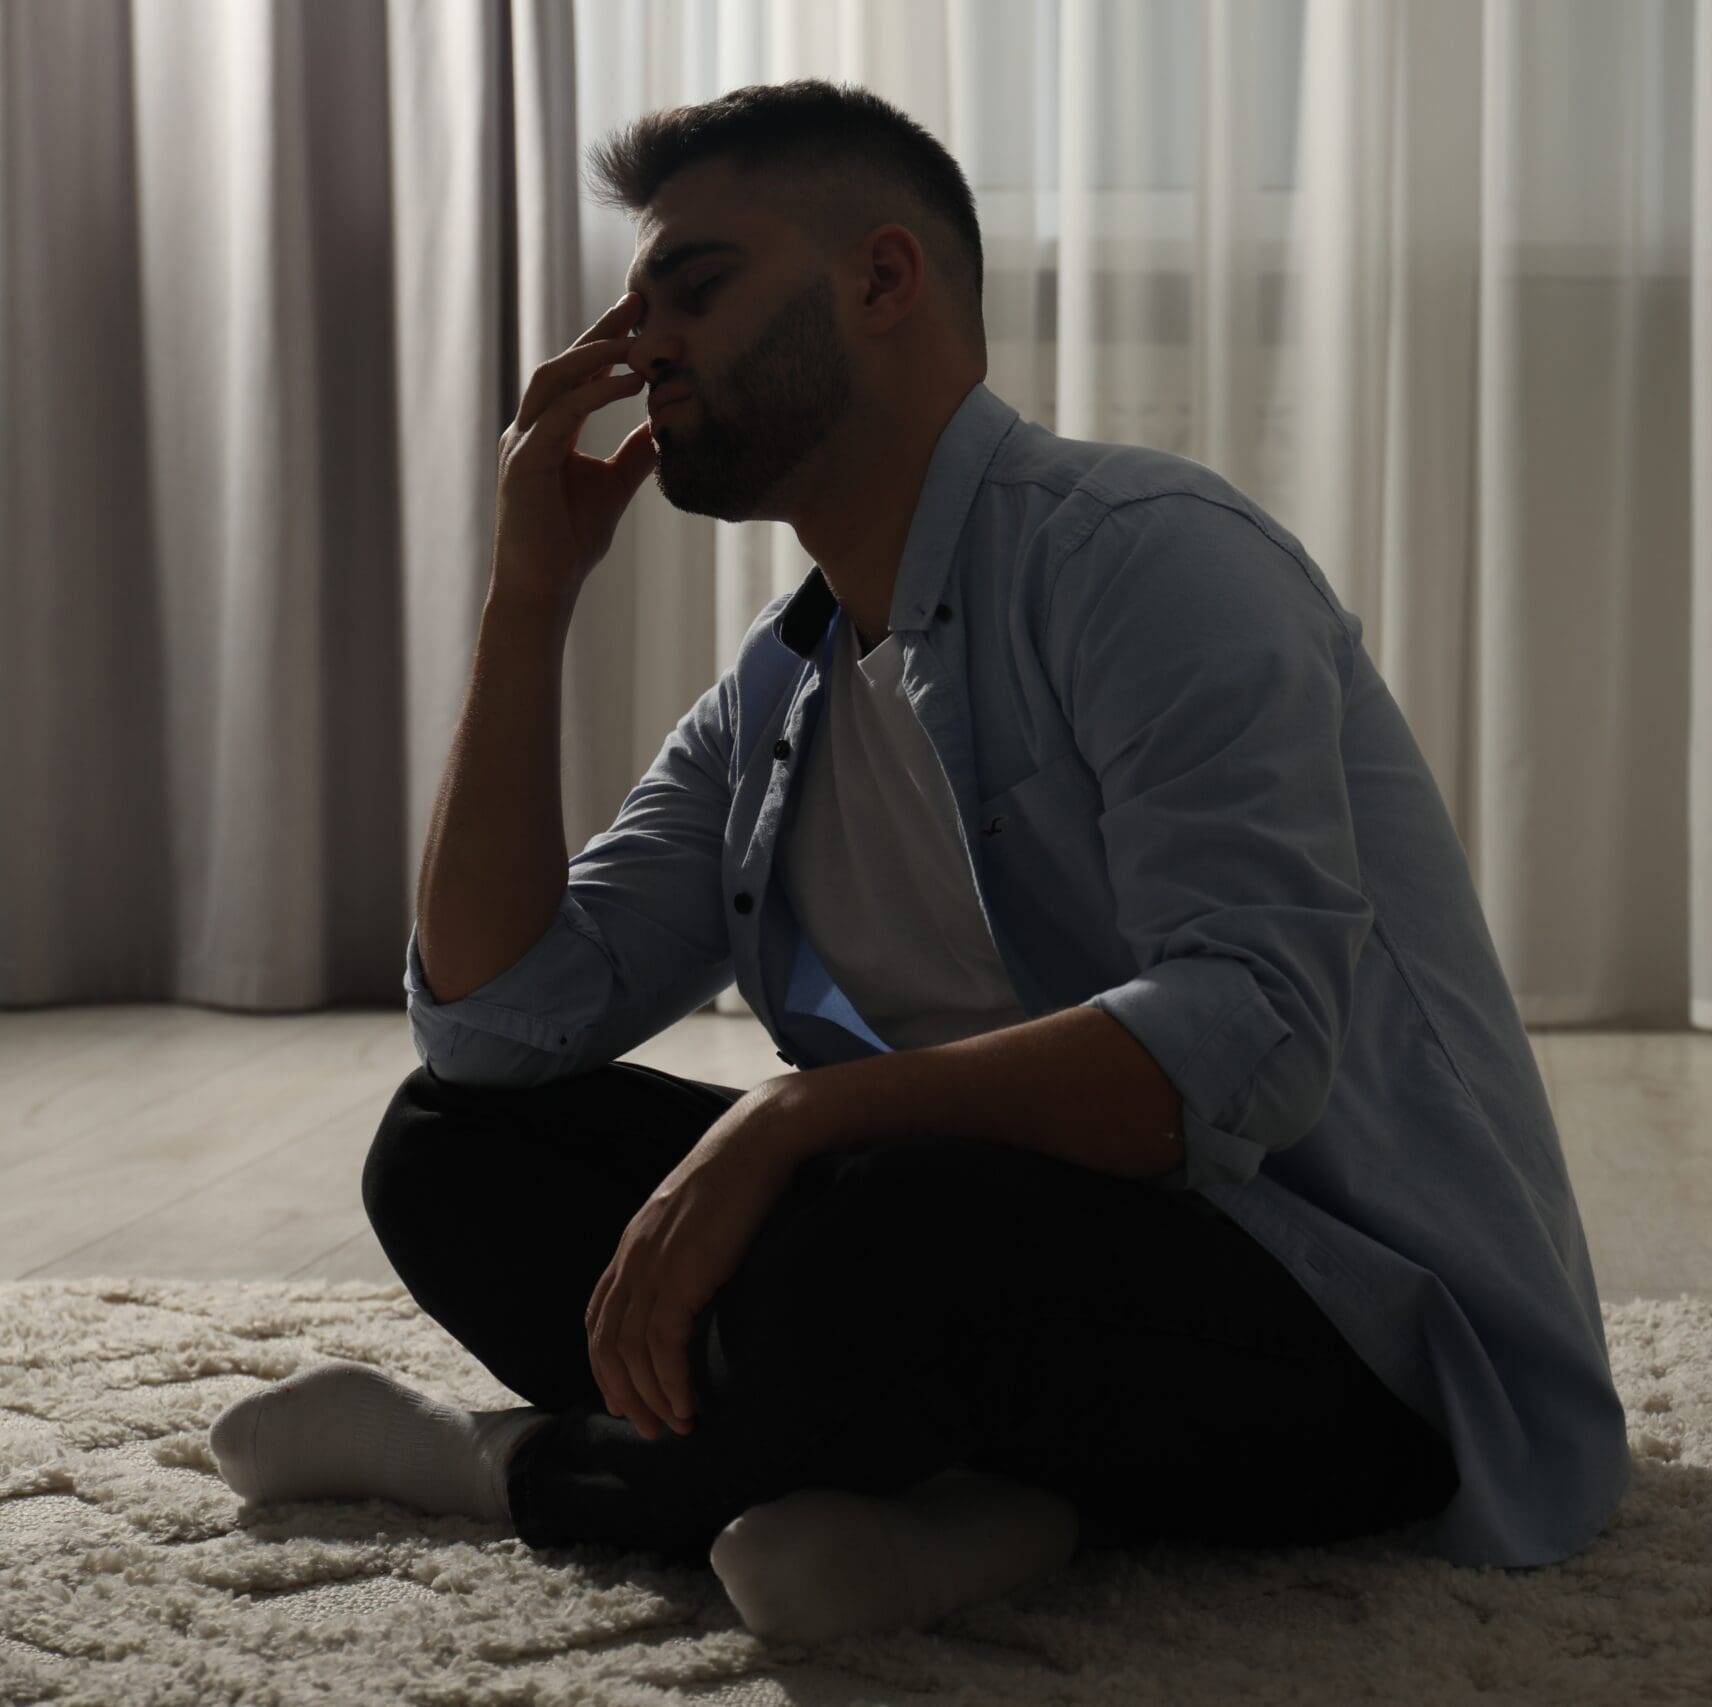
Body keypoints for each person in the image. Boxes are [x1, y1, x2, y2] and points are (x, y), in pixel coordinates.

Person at [208, 78, 1627, 1642]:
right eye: (635, 307)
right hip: (982, 1258)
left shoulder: (1144, 557)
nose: (647, 345)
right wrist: (527, 599)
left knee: (888, 1229)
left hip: (1355, 1343)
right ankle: (967, 1507)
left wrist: (797, 1121)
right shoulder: (779, 689)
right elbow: (489, 1026)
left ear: (882, 282)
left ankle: (505, 1468)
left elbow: (1248, 1038)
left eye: (696, 288)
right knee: (451, 1148)